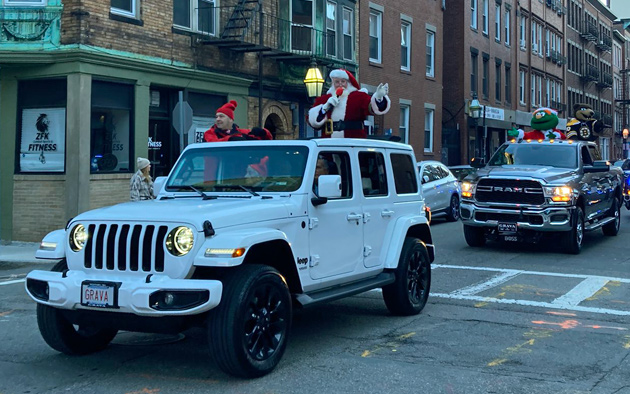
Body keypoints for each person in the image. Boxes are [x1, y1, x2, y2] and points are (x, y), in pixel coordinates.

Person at [307, 69, 391, 138]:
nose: (340, 84)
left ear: (348, 83)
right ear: (333, 84)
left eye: (343, 81)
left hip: (353, 143)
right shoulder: (324, 99)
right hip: (329, 145)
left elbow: (372, 108)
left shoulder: (358, 97)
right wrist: (324, 108)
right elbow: (312, 123)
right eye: (337, 82)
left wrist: (379, 98)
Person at [204, 101, 272, 142]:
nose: (217, 119)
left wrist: (263, 133)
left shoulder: (243, 133)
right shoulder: (210, 133)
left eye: (221, 116)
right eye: (216, 117)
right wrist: (230, 139)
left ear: (231, 119)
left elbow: (267, 141)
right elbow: (213, 143)